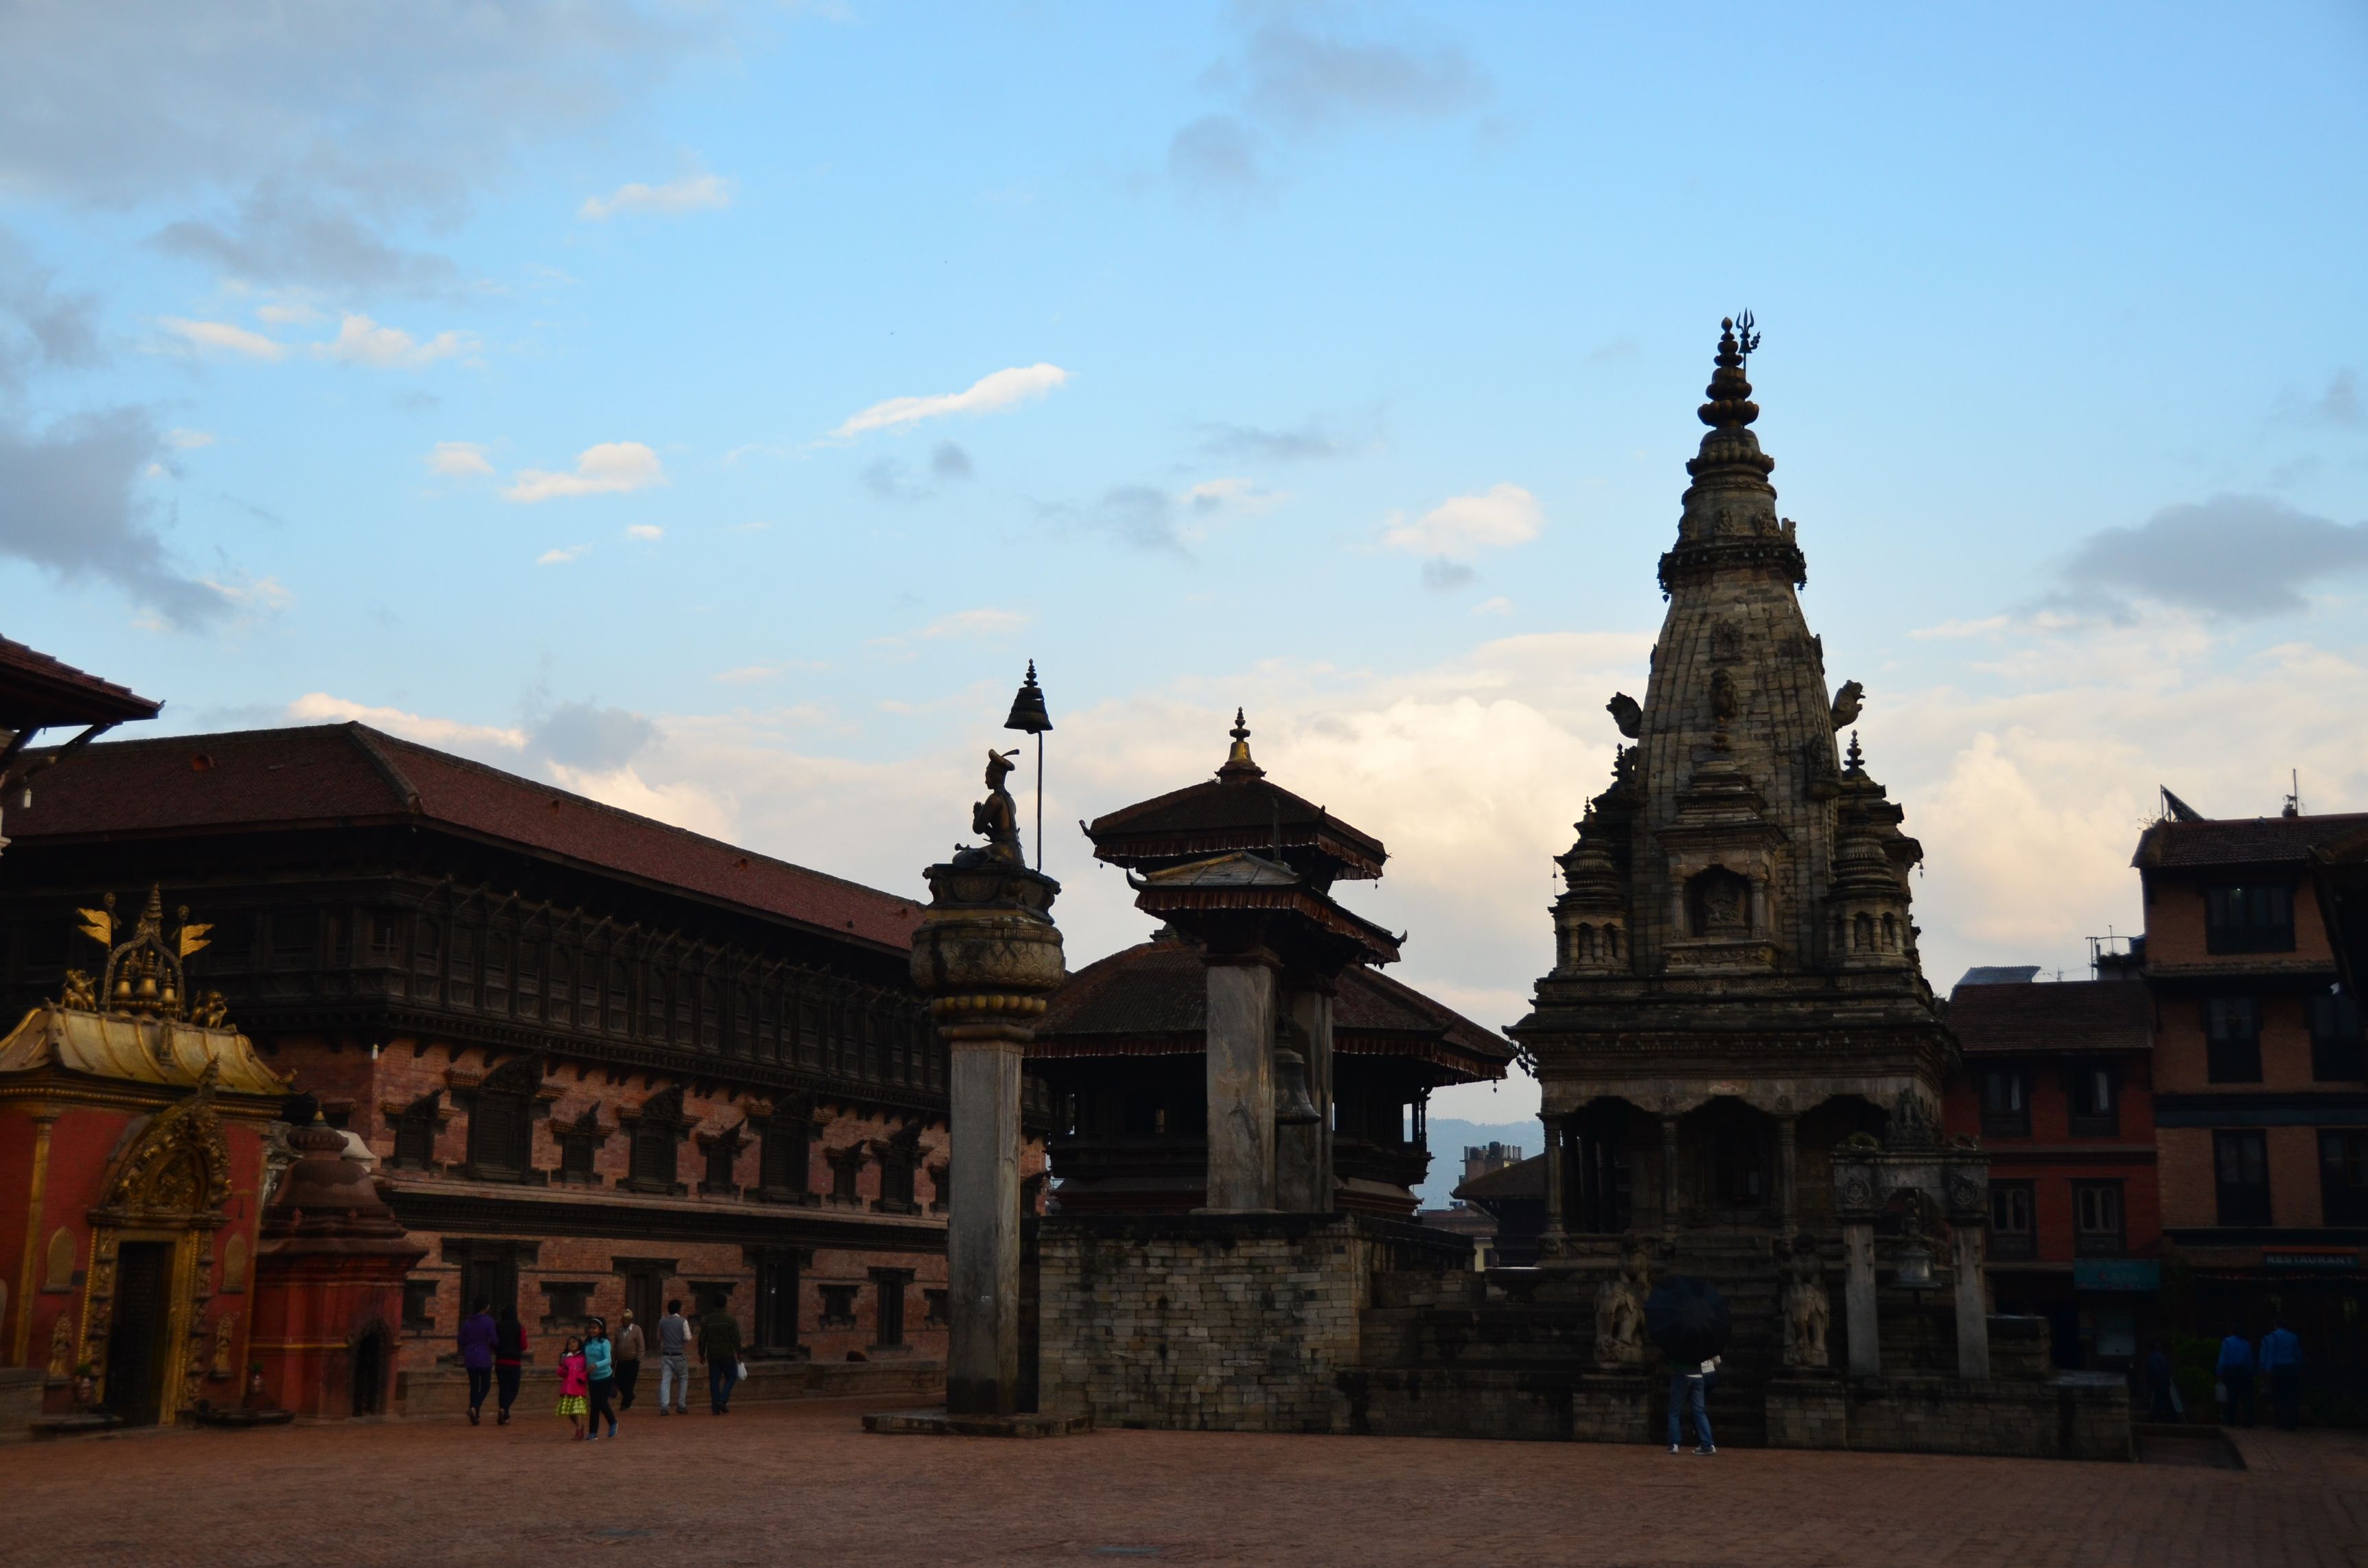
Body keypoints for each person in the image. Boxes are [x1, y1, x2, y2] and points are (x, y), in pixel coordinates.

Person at [697, 1300, 743, 1416]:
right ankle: (723, 1400)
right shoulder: (730, 1320)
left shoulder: (708, 1320)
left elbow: (702, 1338)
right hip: (727, 1354)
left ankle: (715, 1408)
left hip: (712, 1355)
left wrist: (701, 1354)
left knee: (714, 1381)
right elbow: (736, 1338)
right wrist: (739, 1352)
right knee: (732, 1376)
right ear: (725, 1305)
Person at [456, 1297, 496, 1427]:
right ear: (486, 1307)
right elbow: (494, 1340)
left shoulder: (468, 1322)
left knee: (474, 1385)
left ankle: (476, 1414)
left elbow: (461, 1339)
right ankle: (474, 1407)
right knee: (485, 1385)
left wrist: (470, 1343)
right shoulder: (489, 1321)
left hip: (470, 1356)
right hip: (483, 1356)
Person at [1667, 1355, 1716, 1455]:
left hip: (1681, 1373)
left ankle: (1674, 1444)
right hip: (1698, 1375)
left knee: (1674, 1411)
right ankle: (1708, 1444)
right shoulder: (1699, 1345)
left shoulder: (1679, 1345)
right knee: (1699, 1412)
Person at [2260, 1319, 2304, 1430]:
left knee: (2278, 1395)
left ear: (2275, 1326)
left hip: (2277, 1369)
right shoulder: (2293, 1337)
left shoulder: (2272, 1337)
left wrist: (2266, 1371)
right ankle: (2292, 1421)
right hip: (2291, 1369)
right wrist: (2301, 1365)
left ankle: (2280, 1420)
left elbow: (2270, 1355)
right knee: (2291, 1395)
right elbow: (2298, 1354)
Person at [583, 1317, 619, 1440]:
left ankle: (612, 1421)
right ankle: (593, 1432)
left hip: (605, 1377)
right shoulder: (588, 1342)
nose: (592, 1330)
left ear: (601, 1330)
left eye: (595, 1328)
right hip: (593, 1378)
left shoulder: (604, 1343)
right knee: (594, 1405)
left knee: (602, 1402)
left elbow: (608, 1360)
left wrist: (596, 1365)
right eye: (590, 1328)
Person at [494, 1304, 529, 1426]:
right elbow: (524, 1345)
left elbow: (494, 1343)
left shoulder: (498, 1327)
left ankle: (505, 1415)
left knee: (503, 1388)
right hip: (514, 1362)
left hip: (500, 1361)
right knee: (514, 1389)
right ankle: (504, 1409)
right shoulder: (520, 1327)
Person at [2216, 1329, 2257, 1428]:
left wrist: (2220, 1372)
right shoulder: (2246, 1344)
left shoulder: (2227, 1342)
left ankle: (2230, 1420)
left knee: (2231, 1397)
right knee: (2246, 1399)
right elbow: (2250, 1361)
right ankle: (2248, 1421)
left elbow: (2223, 1359)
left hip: (2231, 1372)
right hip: (2244, 1373)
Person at [657, 1298, 691, 1416]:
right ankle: (681, 1405)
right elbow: (687, 1337)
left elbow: (659, 1337)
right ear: (679, 1309)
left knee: (666, 1380)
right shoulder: (683, 1321)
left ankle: (664, 1406)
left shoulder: (662, 1322)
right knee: (683, 1378)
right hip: (679, 1354)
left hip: (666, 1354)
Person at [556, 1336, 589, 1440]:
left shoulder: (584, 1358)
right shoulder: (566, 1358)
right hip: (567, 1388)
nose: (572, 1345)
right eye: (569, 1344)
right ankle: (580, 1426)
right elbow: (561, 1373)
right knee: (569, 1412)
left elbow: (587, 1371)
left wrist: (582, 1377)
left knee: (577, 1410)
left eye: (574, 1342)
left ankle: (579, 1431)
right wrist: (562, 1366)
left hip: (578, 1388)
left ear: (579, 1344)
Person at [615, 1309, 645, 1412]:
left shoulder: (636, 1330)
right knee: (618, 1381)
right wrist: (614, 1359)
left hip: (632, 1360)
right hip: (621, 1360)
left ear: (631, 1320)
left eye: (627, 1320)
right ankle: (630, 1396)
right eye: (623, 1320)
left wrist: (639, 1359)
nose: (624, 1322)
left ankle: (625, 1403)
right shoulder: (618, 1331)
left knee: (629, 1383)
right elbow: (616, 1345)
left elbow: (641, 1345)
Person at [2145, 1344, 2181, 1422]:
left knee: (2160, 1399)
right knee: (2165, 1399)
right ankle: (2169, 1417)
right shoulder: (2162, 1356)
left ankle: (2155, 1417)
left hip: (2159, 1381)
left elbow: (2155, 1371)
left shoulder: (2153, 1357)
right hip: (2165, 1380)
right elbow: (2167, 1369)